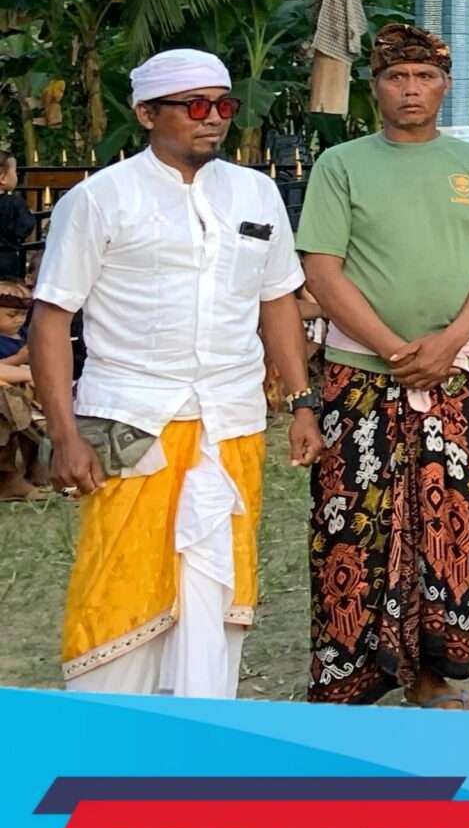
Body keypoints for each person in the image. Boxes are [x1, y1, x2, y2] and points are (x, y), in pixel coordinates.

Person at [32, 49, 315, 695]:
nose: (212, 119)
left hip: (231, 419)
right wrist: (67, 435)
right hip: (133, 420)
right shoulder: (98, 200)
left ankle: (198, 738)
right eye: (194, 106)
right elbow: (51, 320)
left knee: (218, 589)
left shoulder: (255, 191)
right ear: (145, 113)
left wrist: (302, 401)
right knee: (119, 585)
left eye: (223, 105)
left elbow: (278, 301)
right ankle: (107, 743)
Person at [297, 23, 469, 708]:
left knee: (446, 522)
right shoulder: (342, 165)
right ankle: (351, 679)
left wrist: (449, 342)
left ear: (445, 85)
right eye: (398, 78)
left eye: (424, 77)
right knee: (352, 524)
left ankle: (428, 673)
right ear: (376, 89)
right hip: (359, 376)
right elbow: (322, 270)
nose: (411, 89)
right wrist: (395, 351)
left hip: (456, 374)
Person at [0, 282, 37, 501]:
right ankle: (10, 479)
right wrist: (21, 364)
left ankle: (36, 473)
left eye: (23, 314)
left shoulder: (23, 334)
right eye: (11, 314)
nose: (18, 320)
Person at [0, 149, 36, 282]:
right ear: (3, 178)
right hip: (6, 258)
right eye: (14, 172)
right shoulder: (14, 203)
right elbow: (26, 225)